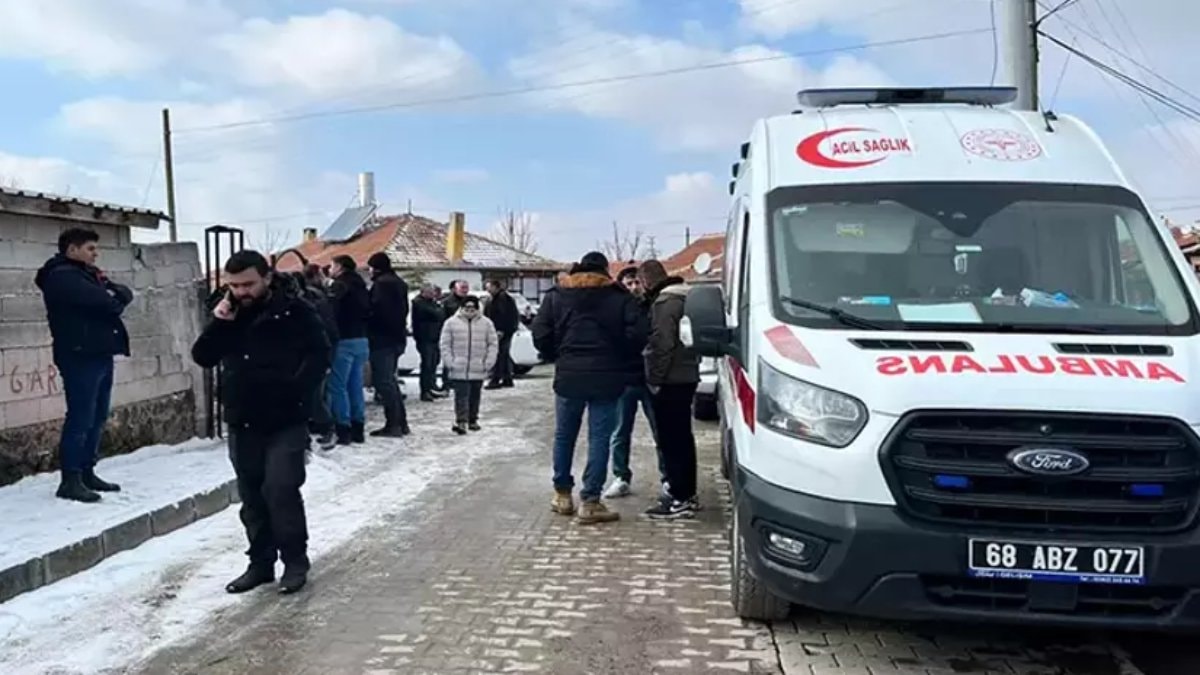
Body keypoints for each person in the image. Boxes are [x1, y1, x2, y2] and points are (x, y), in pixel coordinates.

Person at [191, 250, 330, 595]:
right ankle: (261, 564)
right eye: (234, 285)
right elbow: (203, 357)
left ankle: (295, 561)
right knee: (252, 495)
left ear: (267, 277)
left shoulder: (296, 310)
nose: (241, 291)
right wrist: (219, 322)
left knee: (281, 489)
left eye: (248, 283)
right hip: (243, 418)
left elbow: (321, 353)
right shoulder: (229, 313)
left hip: (287, 418)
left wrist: (298, 390)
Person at [532, 251, 647, 525]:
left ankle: (562, 495)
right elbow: (639, 334)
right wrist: (619, 356)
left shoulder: (557, 295)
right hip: (607, 376)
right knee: (599, 438)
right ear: (605, 270)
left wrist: (557, 354)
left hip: (569, 374)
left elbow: (540, 333)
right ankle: (591, 501)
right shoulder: (619, 298)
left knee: (564, 435)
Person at [34, 228, 133, 503]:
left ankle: (87, 471)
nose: (95, 253)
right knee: (81, 417)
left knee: (98, 416)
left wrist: (115, 293)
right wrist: (115, 295)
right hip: (79, 356)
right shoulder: (62, 277)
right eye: (90, 248)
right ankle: (71, 479)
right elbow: (109, 302)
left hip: (98, 353)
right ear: (72, 249)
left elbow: (123, 292)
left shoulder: (86, 275)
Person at [638, 260, 701, 520]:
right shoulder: (686, 296)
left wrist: (654, 378)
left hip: (671, 380)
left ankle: (679, 497)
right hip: (687, 374)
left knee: (672, 440)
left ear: (646, 281)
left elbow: (662, 343)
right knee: (683, 438)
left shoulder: (665, 303)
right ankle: (687, 493)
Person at [603, 266, 664, 500]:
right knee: (619, 432)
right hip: (624, 380)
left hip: (650, 379)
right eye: (628, 283)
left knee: (660, 430)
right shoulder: (615, 310)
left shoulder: (654, 306)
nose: (633, 287)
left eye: (636, 282)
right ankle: (621, 476)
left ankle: (667, 477)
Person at [290, 271, 339, 450]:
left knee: (311, 397)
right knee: (311, 396)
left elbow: (320, 332)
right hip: (314, 353)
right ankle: (311, 434)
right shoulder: (318, 298)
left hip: (311, 355)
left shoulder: (306, 304)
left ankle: (326, 429)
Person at [326, 255, 372, 445]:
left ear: (339, 267)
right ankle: (358, 427)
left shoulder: (340, 286)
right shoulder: (362, 286)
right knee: (355, 385)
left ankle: (343, 428)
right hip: (362, 339)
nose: (330, 269)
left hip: (343, 339)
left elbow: (331, 311)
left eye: (331, 265)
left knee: (337, 386)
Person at [365, 252, 410, 437]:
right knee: (390, 381)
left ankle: (394, 424)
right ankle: (401, 422)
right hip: (397, 338)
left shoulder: (382, 285)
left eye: (370, 267)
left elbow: (378, 311)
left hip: (383, 339)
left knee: (384, 382)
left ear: (376, 267)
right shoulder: (399, 283)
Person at [439, 295, 498, 435]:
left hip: (478, 365)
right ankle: (461, 420)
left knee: (474, 395)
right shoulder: (451, 323)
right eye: (467, 307)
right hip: (458, 366)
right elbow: (445, 344)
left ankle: (472, 419)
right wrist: (449, 361)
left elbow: (493, 344)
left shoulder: (486, 323)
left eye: (473, 307)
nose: (470, 310)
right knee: (461, 395)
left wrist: (488, 362)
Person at [411, 284, 446, 401]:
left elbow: (442, 314)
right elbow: (437, 314)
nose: (433, 294)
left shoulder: (431, 302)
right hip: (425, 337)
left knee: (433, 363)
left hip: (434, 337)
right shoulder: (419, 303)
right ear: (423, 292)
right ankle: (425, 391)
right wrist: (439, 308)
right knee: (427, 365)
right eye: (430, 292)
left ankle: (431, 387)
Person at [483, 279, 519, 390]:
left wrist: (501, 330)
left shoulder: (502, 299)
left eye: (489, 287)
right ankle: (507, 378)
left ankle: (496, 379)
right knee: (504, 354)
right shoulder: (496, 298)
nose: (487, 290)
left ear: (495, 287)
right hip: (502, 330)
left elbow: (503, 316)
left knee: (499, 355)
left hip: (502, 331)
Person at [439, 280, 470, 392]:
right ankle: (447, 382)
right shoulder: (447, 302)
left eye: (466, 288)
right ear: (454, 289)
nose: (465, 290)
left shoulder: (469, 301)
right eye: (462, 288)